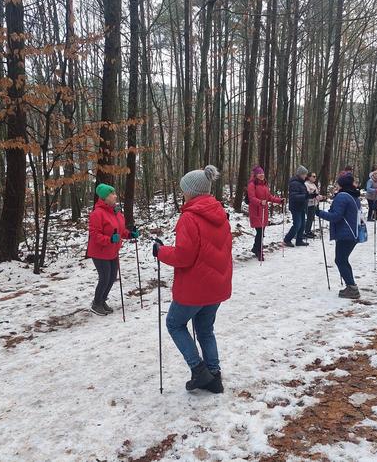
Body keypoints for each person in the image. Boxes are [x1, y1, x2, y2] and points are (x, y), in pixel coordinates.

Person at [154, 165, 232, 394]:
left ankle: (199, 370)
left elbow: (183, 256)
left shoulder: (190, 217)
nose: (182, 194)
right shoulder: (220, 214)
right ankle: (214, 376)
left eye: (184, 190)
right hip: (216, 285)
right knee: (205, 329)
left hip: (195, 287)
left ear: (191, 192)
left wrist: (160, 251)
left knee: (174, 323)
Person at [86, 183, 139, 316]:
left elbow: (120, 231)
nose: (115, 196)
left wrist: (129, 234)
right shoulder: (97, 214)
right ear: (105, 197)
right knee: (104, 278)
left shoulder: (116, 212)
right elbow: (95, 235)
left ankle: (102, 300)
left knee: (111, 278)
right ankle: (96, 303)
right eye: (112, 194)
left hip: (113, 251)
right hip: (100, 252)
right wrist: (109, 239)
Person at [316, 173, 362, 299]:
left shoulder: (342, 197)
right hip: (352, 232)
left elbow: (336, 217)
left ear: (342, 184)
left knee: (340, 260)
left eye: (337, 183)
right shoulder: (353, 196)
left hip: (346, 233)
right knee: (343, 259)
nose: (336, 185)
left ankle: (352, 288)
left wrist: (319, 213)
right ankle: (351, 286)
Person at [247, 166, 283, 261]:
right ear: (255, 175)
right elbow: (251, 198)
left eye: (262, 173)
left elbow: (269, 197)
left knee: (261, 232)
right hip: (256, 211)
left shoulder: (265, 184)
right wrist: (260, 202)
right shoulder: (252, 184)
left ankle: (255, 248)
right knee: (260, 232)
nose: (262, 175)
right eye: (259, 173)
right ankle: (259, 251)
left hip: (264, 211)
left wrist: (279, 200)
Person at [284, 165, 309, 247]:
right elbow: (293, 196)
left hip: (301, 206)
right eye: (305, 174)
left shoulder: (301, 183)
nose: (306, 176)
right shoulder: (294, 183)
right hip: (295, 207)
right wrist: (305, 196)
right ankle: (287, 239)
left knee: (302, 224)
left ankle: (299, 240)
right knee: (297, 224)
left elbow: (304, 194)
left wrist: (310, 195)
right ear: (300, 174)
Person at [304, 172, 319, 239]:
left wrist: (319, 197)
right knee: (309, 217)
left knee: (311, 218)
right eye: (313, 176)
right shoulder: (306, 184)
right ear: (309, 177)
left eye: (315, 176)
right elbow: (307, 194)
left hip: (314, 203)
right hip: (308, 204)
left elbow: (316, 193)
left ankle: (308, 231)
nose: (315, 178)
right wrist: (313, 195)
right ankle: (306, 231)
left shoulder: (313, 184)